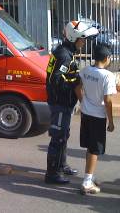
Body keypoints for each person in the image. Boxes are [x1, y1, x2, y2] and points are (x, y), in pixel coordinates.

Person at [45, 20, 99, 184]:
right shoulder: (64, 55)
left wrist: (74, 79)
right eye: (82, 40)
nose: (83, 43)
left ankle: (62, 165)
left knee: (63, 135)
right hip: (60, 104)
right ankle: (52, 174)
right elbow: (56, 80)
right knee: (58, 137)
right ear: (74, 37)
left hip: (64, 103)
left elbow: (62, 76)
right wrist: (75, 82)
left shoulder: (66, 52)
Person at [75, 45, 117, 194]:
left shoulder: (85, 70)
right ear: (106, 58)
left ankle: (89, 176)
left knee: (90, 147)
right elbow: (108, 100)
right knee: (94, 149)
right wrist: (111, 121)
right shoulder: (107, 76)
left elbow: (77, 88)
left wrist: (83, 102)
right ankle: (87, 182)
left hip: (86, 113)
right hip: (98, 117)